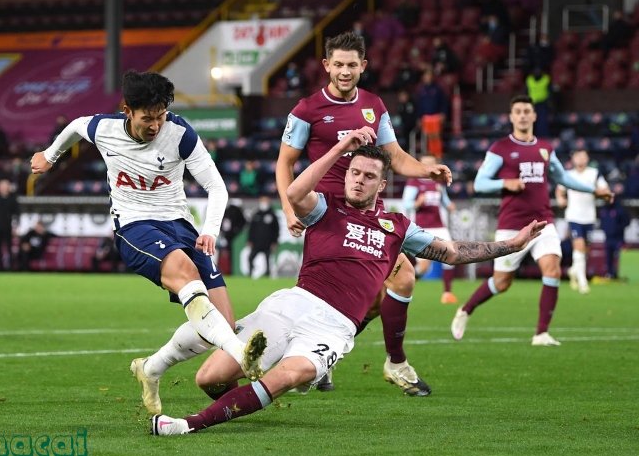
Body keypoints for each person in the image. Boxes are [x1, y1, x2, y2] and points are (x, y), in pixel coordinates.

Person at [150, 131, 546, 435]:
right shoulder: (325, 206)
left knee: (292, 374)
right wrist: (340, 150)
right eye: (354, 172)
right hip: (292, 303)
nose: (358, 180)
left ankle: (188, 424)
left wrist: (511, 243)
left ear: (381, 183)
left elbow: (454, 252)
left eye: (368, 176)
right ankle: (255, 380)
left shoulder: (397, 226)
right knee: (209, 378)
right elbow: (293, 191)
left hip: (334, 325)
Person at [30, 70, 267, 415]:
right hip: (135, 226)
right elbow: (77, 126)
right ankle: (240, 352)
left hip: (181, 226)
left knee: (221, 322)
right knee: (187, 275)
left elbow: (217, 187)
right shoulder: (105, 129)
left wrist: (210, 231)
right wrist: (50, 155)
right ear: (127, 110)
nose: (155, 125)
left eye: (160, 117)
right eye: (147, 118)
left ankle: (151, 368)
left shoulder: (180, 133)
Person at [276, 31, 453, 396]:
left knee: (390, 288)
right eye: (338, 64)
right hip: (328, 216)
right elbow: (285, 164)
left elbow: (396, 156)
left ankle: (380, 362)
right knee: (333, 294)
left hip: (371, 214)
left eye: (351, 65)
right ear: (326, 65)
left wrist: (426, 170)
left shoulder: (374, 105)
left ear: (363, 66)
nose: (344, 71)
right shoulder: (306, 110)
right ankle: (378, 361)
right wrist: (287, 207)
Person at [451, 96, 614, 346]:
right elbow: (481, 183)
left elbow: (562, 178)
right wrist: (506, 183)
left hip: (542, 223)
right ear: (512, 116)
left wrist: (593, 189)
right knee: (502, 282)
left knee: (552, 269)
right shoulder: (500, 148)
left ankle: (541, 333)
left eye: (527, 111)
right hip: (511, 225)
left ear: (534, 116)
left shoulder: (546, 148)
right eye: (518, 111)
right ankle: (465, 309)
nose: (523, 115)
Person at [402, 155, 458, 304]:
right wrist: (417, 203)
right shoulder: (413, 182)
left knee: (450, 257)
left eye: (431, 163)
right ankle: (405, 286)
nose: (428, 166)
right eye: (424, 163)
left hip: (440, 226)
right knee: (424, 266)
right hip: (423, 227)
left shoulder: (438, 182)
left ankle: (447, 293)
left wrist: (449, 205)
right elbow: (406, 204)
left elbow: (444, 200)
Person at [555, 149, 609, 293]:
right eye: (577, 156)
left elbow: (604, 189)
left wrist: (606, 194)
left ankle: (573, 270)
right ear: (573, 159)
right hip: (573, 216)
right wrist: (561, 199)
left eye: (583, 156)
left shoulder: (594, 173)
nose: (580, 159)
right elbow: (559, 190)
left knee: (585, 250)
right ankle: (583, 281)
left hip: (589, 217)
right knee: (578, 245)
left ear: (587, 158)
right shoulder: (568, 175)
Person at [599, 185, 630, 280]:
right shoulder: (603, 210)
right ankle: (609, 274)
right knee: (608, 257)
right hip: (608, 238)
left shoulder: (619, 209)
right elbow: (602, 222)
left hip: (618, 238)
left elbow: (626, 221)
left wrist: (618, 229)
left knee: (618, 257)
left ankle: (618, 274)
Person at [0, 179, 20, 271]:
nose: (2, 188)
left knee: (9, 247)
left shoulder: (13, 199)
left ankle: (10, 267)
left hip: (8, 227)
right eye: (1, 186)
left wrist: (15, 226)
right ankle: (0, 267)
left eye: (4, 186)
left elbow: (16, 214)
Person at [245, 196, 280, 278]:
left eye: (265, 202)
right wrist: (249, 240)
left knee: (268, 260)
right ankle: (250, 273)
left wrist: (275, 242)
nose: (263, 204)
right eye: (262, 202)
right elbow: (251, 229)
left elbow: (276, 230)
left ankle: (267, 274)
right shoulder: (256, 214)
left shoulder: (272, 215)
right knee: (250, 258)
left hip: (268, 243)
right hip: (257, 243)